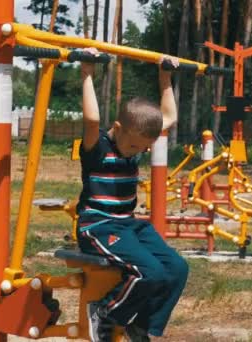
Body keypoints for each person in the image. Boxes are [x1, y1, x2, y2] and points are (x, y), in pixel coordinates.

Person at [76, 48, 189, 342]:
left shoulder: (136, 136)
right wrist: (87, 72)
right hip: (98, 226)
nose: (141, 152)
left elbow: (169, 116)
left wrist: (165, 77)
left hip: (128, 224)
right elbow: (91, 119)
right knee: (149, 271)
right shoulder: (97, 147)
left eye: (144, 148)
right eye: (136, 147)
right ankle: (105, 312)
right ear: (117, 129)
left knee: (177, 268)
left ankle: (142, 325)